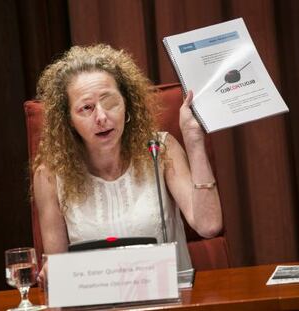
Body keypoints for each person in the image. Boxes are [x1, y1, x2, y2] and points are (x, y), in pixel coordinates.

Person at [33, 44, 222, 280]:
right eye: (86, 108)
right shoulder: (50, 176)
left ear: (126, 104)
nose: (101, 117)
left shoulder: (159, 150)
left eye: (109, 101)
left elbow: (209, 225)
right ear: (68, 120)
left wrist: (193, 140)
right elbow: (58, 276)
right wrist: (52, 273)